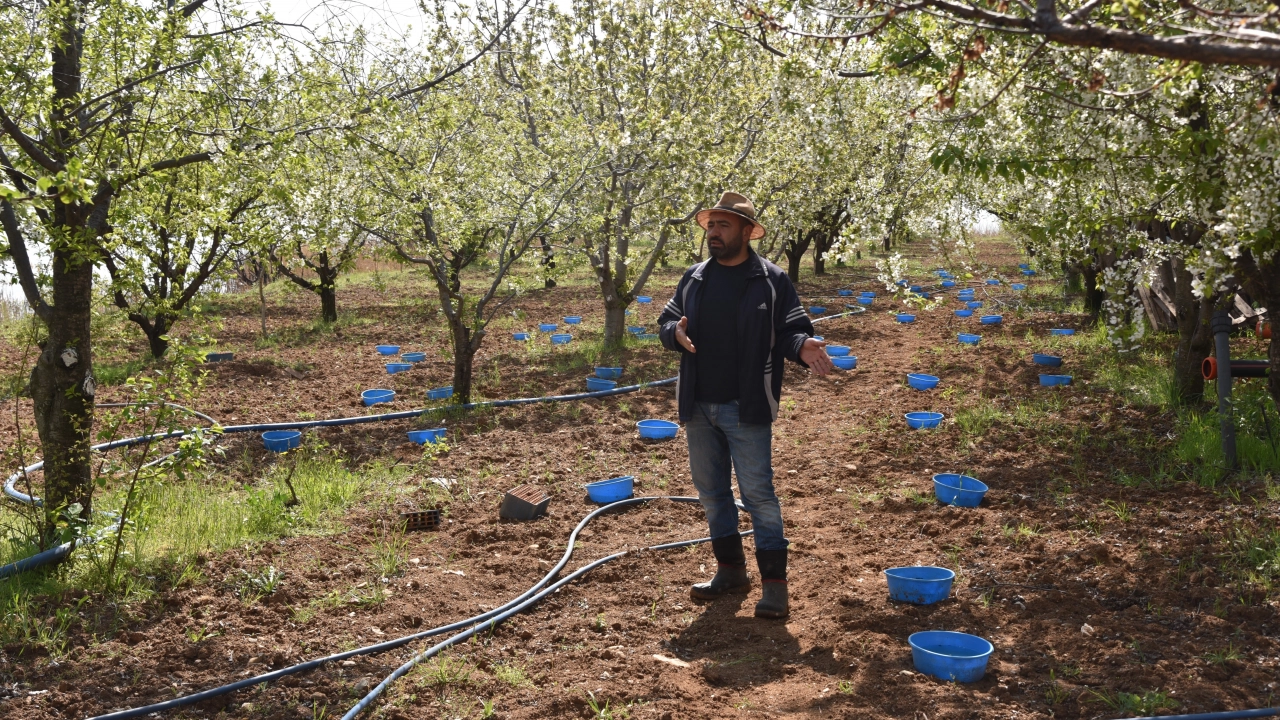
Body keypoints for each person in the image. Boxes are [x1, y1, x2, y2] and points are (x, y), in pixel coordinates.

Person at [657, 191, 834, 619]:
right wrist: (672, 334)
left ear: (746, 232)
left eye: (724, 226)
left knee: (758, 494)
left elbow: (791, 329)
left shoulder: (771, 281)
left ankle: (775, 587)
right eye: (711, 226)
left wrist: (803, 346)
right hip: (698, 404)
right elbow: (666, 321)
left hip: (746, 404)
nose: (714, 234)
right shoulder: (694, 278)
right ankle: (731, 571)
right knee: (712, 493)